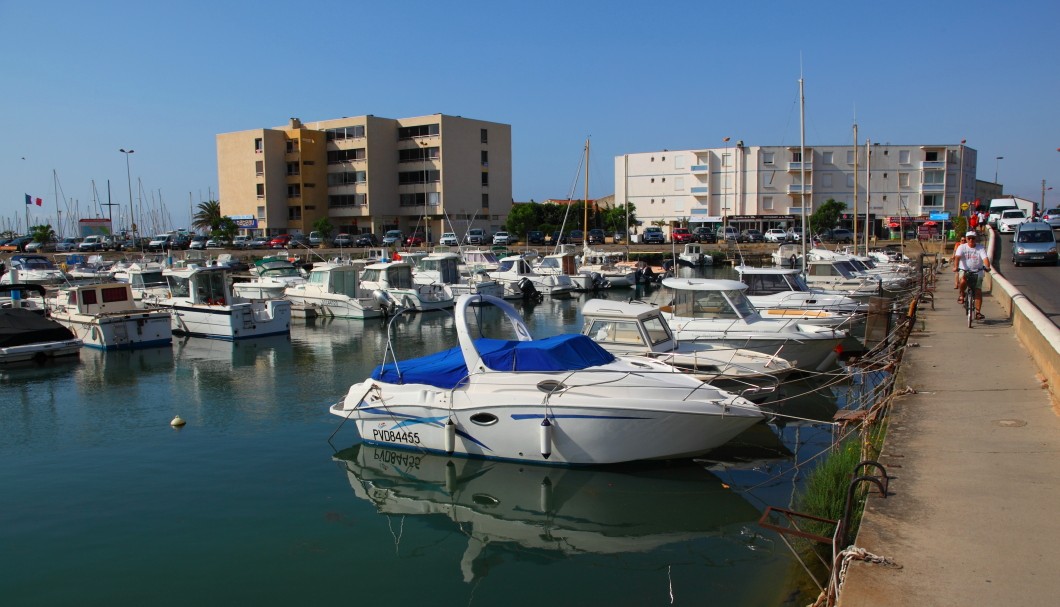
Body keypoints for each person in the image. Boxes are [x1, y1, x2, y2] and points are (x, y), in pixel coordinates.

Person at [953, 230, 991, 319]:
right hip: (965, 270)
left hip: (978, 271)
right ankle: (962, 294)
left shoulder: (980, 248)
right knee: (963, 281)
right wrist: (955, 267)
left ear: (976, 239)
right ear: (966, 239)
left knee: (978, 290)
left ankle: (978, 312)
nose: (971, 240)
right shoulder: (962, 247)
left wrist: (987, 266)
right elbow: (957, 257)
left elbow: (985, 259)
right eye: (969, 238)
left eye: (973, 238)